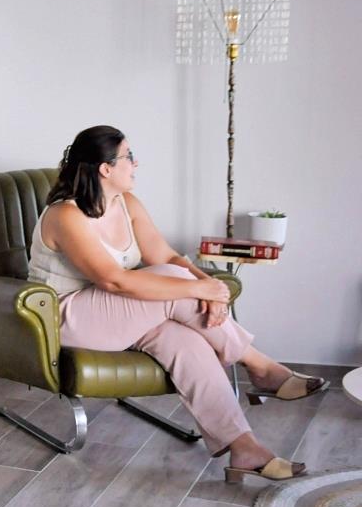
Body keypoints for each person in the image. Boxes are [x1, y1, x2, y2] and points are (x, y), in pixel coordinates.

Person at [27, 125, 328, 483]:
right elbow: (113, 280)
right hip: (65, 317)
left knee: (185, 342)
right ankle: (260, 366)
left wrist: (209, 287)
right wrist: (200, 290)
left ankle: (244, 448)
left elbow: (166, 257)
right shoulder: (66, 215)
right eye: (128, 156)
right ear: (105, 169)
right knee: (175, 283)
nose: (136, 163)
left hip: (117, 312)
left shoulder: (127, 204)